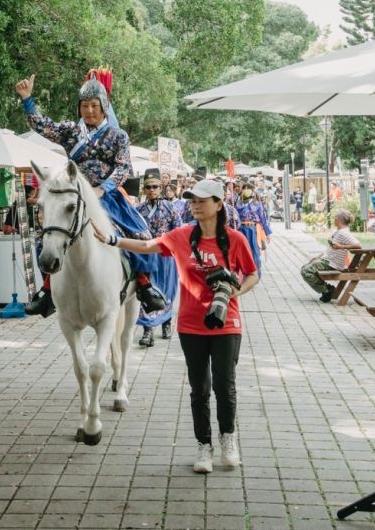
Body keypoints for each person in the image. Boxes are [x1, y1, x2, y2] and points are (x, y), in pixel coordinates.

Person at [96, 179, 258, 473]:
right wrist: (112, 240)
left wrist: (235, 292)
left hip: (227, 324)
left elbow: (252, 274)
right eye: (192, 200)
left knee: (225, 386)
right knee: (199, 389)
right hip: (191, 325)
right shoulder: (182, 235)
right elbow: (147, 246)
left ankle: (228, 439)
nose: (195, 205)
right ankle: (204, 446)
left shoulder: (235, 239)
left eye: (202, 201)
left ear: (218, 204)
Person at [16, 70, 167, 318]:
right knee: (48, 235)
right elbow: (43, 126)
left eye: (94, 106)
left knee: (139, 232)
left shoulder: (118, 136)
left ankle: (144, 284)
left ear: (104, 106)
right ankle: (47, 290)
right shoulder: (71, 131)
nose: (89, 111)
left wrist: (102, 188)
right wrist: (27, 99)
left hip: (107, 197)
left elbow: (123, 168)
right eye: (84, 106)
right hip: (72, 195)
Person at [136, 168, 182, 347]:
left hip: (166, 256)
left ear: (160, 188)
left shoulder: (170, 208)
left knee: (167, 291)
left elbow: (178, 230)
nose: (151, 190)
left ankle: (166, 322)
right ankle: (147, 330)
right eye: (148, 187)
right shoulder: (138, 210)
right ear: (144, 189)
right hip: (146, 255)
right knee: (148, 290)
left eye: (155, 186)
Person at [299, 209, 361, 302]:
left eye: (335, 219)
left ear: (339, 220)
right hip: (328, 261)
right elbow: (330, 249)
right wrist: (318, 257)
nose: (334, 220)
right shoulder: (338, 232)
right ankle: (327, 289)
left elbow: (358, 245)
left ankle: (326, 290)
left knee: (306, 271)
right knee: (305, 268)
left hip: (332, 264)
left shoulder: (343, 233)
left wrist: (341, 246)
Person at [236, 186, 273, 275]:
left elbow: (263, 218)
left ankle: (256, 274)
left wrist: (267, 233)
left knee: (254, 251)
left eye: (247, 189)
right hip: (241, 229)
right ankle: (243, 273)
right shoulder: (238, 203)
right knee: (242, 251)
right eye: (244, 188)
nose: (246, 190)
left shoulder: (257, 204)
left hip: (252, 229)